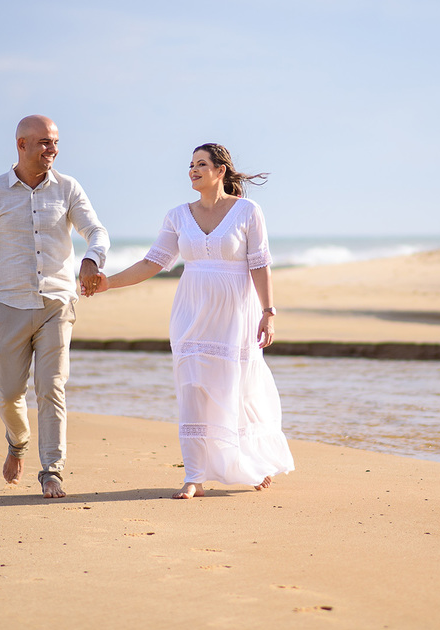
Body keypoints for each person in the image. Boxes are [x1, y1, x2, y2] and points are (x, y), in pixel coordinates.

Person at [99, 143, 295, 499]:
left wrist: (269, 312)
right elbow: (153, 262)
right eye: (190, 164)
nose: (193, 170)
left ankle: (250, 462)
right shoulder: (177, 215)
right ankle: (194, 476)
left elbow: (260, 264)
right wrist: (108, 282)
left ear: (220, 171)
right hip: (190, 314)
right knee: (192, 388)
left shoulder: (248, 211)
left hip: (236, 314)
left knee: (236, 387)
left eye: (201, 164)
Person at [0, 114, 109, 499]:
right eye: (44, 142)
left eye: (55, 142)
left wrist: (93, 258)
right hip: (9, 305)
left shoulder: (68, 188)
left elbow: (96, 230)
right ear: (21, 145)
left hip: (57, 303)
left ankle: (52, 469)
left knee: (51, 387)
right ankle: (17, 442)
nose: (52, 149)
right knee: (9, 395)